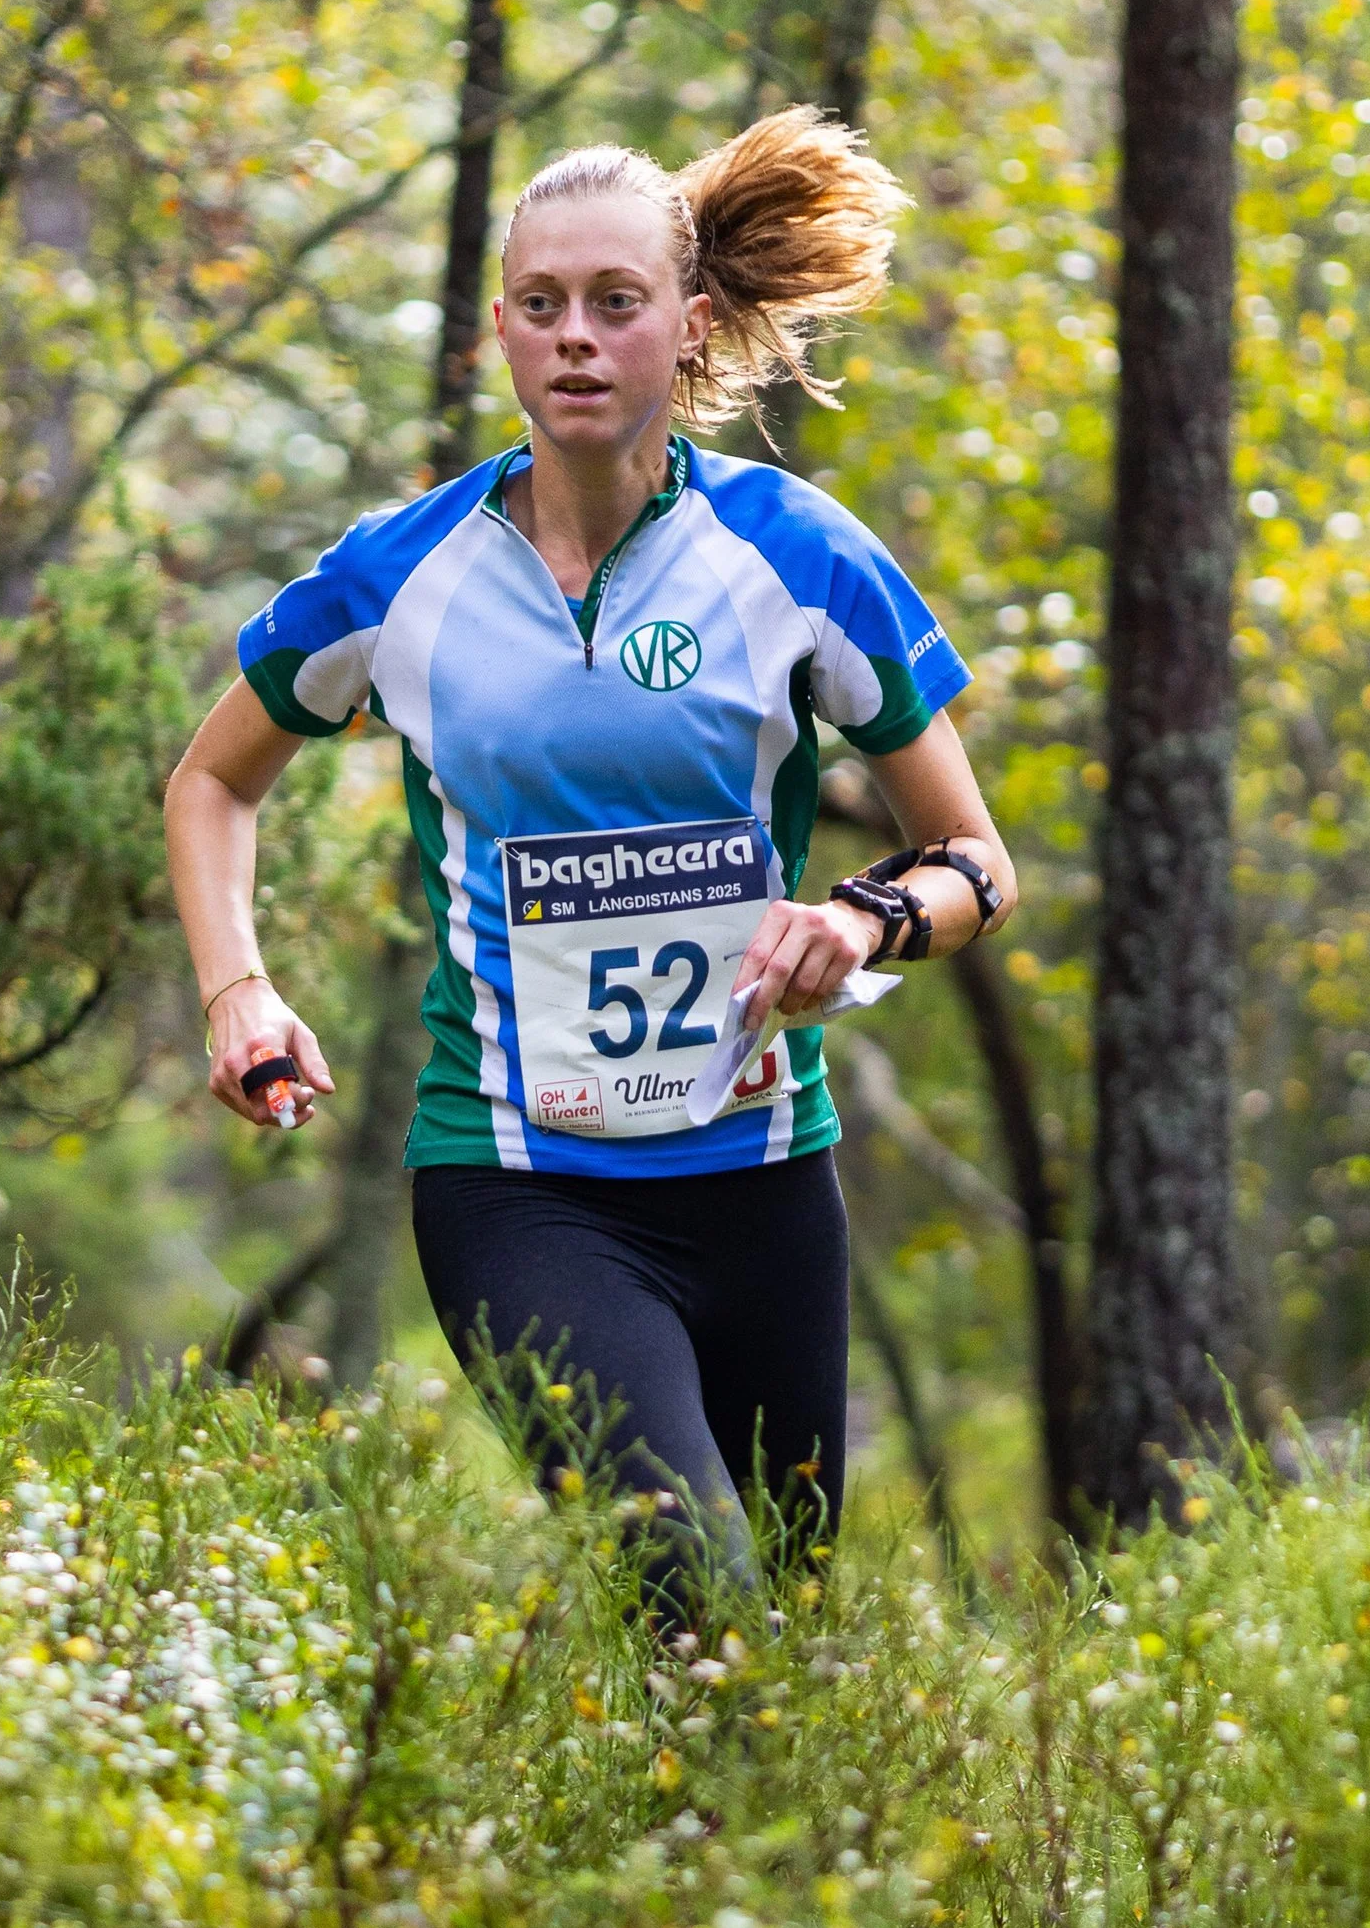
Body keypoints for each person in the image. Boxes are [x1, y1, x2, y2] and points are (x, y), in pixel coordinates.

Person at [162, 108, 1017, 1626]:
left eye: (614, 304)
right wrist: (237, 989)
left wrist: (860, 921)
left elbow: (973, 864)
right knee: (688, 1573)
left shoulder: (797, 557)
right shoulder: (398, 573)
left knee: (784, 1645)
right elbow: (214, 780)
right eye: (540, 305)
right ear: (499, 327)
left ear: (684, 328)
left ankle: (676, 1861)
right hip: (518, 1181)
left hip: (764, 1180)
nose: (574, 338)